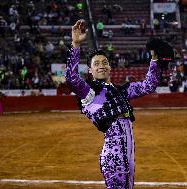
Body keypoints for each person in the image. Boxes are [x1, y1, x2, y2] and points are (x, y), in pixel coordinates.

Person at [65, 20, 161, 189]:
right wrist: (76, 44)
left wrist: (154, 59)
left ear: (109, 67)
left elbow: (148, 85)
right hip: (114, 153)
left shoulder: (121, 91)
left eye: (104, 63)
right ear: (90, 71)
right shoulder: (89, 93)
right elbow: (71, 78)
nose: (101, 66)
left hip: (127, 152)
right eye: (96, 64)